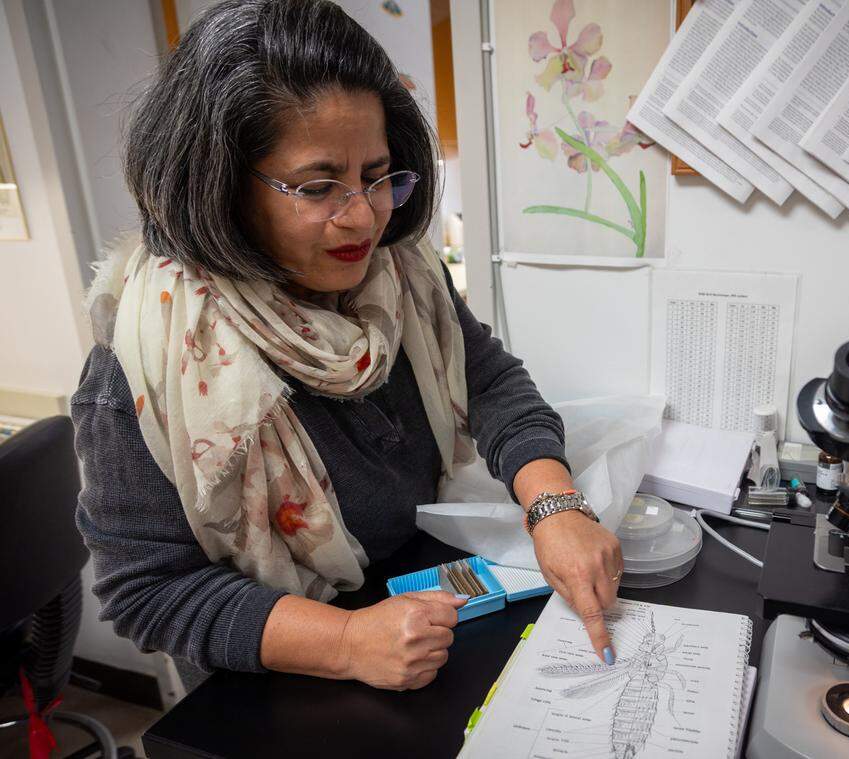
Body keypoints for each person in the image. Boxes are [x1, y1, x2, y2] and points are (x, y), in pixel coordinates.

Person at [72, 0, 622, 693]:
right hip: (280, 684)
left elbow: (486, 379)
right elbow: (147, 591)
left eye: (376, 174)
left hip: (417, 617)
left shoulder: (402, 273)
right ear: (222, 186)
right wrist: (345, 641)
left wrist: (555, 505)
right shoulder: (145, 367)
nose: (361, 216)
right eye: (318, 186)